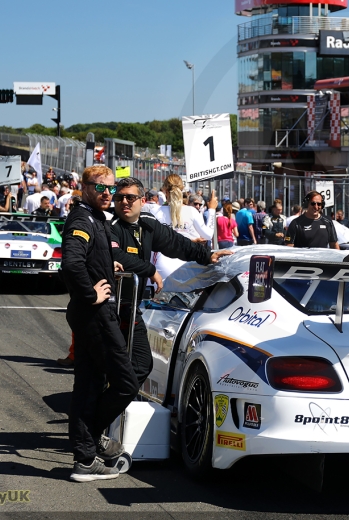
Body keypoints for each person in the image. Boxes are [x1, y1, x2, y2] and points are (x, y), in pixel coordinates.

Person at [108, 177, 229, 386]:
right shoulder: (108, 224)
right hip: (107, 307)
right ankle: (96, 413)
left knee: (140, 365)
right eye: (119, 197)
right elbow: (114, 254)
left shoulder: (147, 223)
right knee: (104, 367)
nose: (124, 202)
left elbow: (176, 243)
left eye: (130, 197)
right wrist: (150, 270)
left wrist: (207, 255)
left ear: (142, 200)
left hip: (131, 306)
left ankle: (106, 410)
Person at [61, 164, 134, 482]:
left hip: (92, 316)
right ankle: (91, 441)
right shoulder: (81, 217)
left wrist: (107, 264)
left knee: (88, 387)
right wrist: (91, 294)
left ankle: (85, 460)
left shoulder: (95, 218)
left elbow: (87, 258)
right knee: (126, 383)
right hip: (94, 316)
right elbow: (71, 262)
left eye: (112, 189)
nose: (108, 194)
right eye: (101, 188)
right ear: (85, 188)